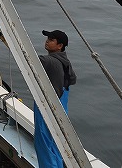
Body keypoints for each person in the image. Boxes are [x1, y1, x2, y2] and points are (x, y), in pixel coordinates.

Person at [34, 29, 77, 168]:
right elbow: (73, 79)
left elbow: (29, 58)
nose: (47, 41)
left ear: (60, 46)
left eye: (52, 39)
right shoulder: (66, 61)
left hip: (49, 106)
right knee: (56, 141)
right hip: (62, 105)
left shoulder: (49, 61)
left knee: (44, 142)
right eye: (48, 38)